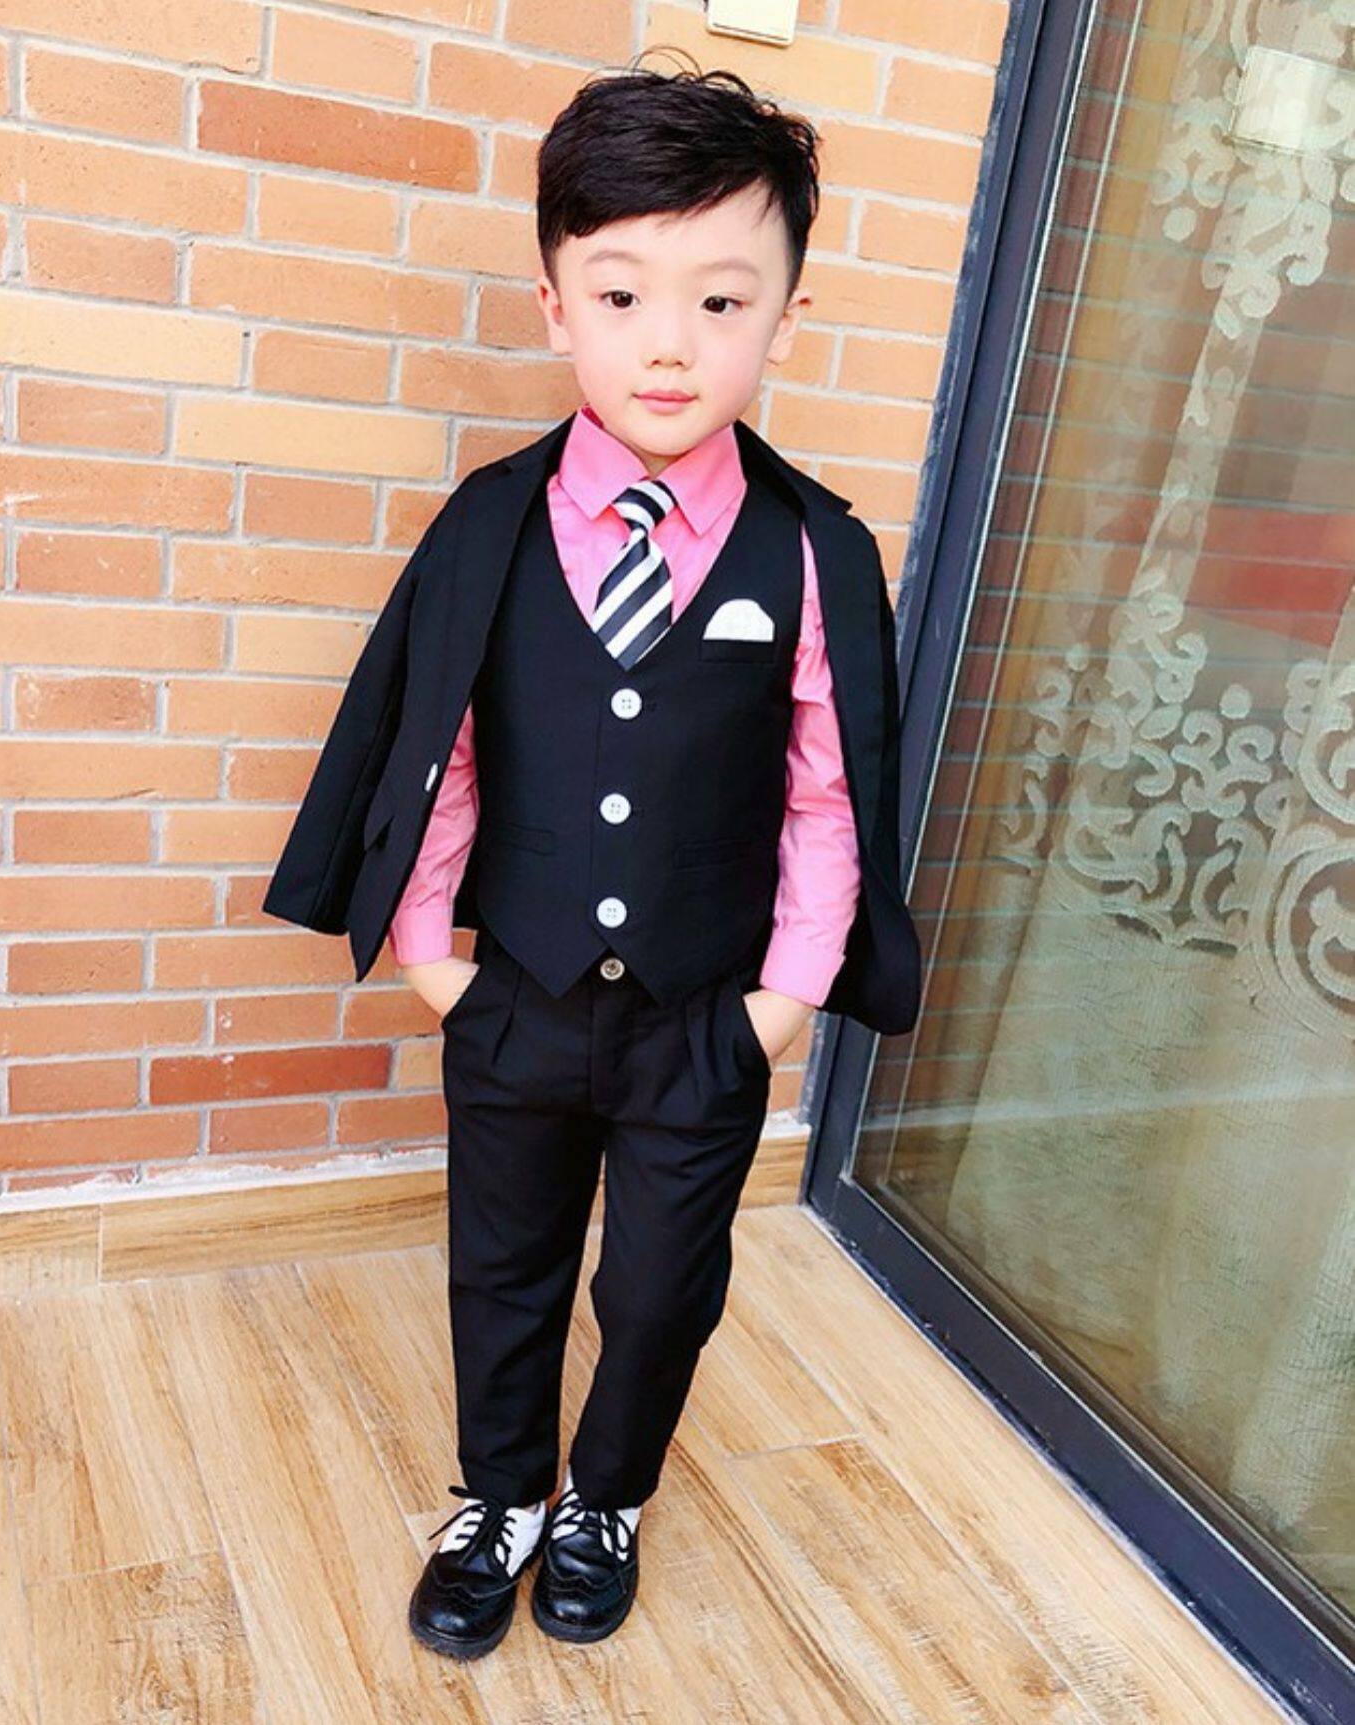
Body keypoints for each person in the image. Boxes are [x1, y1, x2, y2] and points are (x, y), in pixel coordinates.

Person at [261, 59, 922, 1661]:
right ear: (556, 305)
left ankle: (604, 1494)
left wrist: (782, 1002)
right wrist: (436, 961)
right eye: (622, 294)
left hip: (705, 1016)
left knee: (663, 1284)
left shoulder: (816, 552)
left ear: (787, 318)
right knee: (504, 1263)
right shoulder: (489, 524)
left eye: (721, 300)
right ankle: (499, 1491)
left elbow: (828, 797)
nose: (669, 342)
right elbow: (444, 749)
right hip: (519, 999)